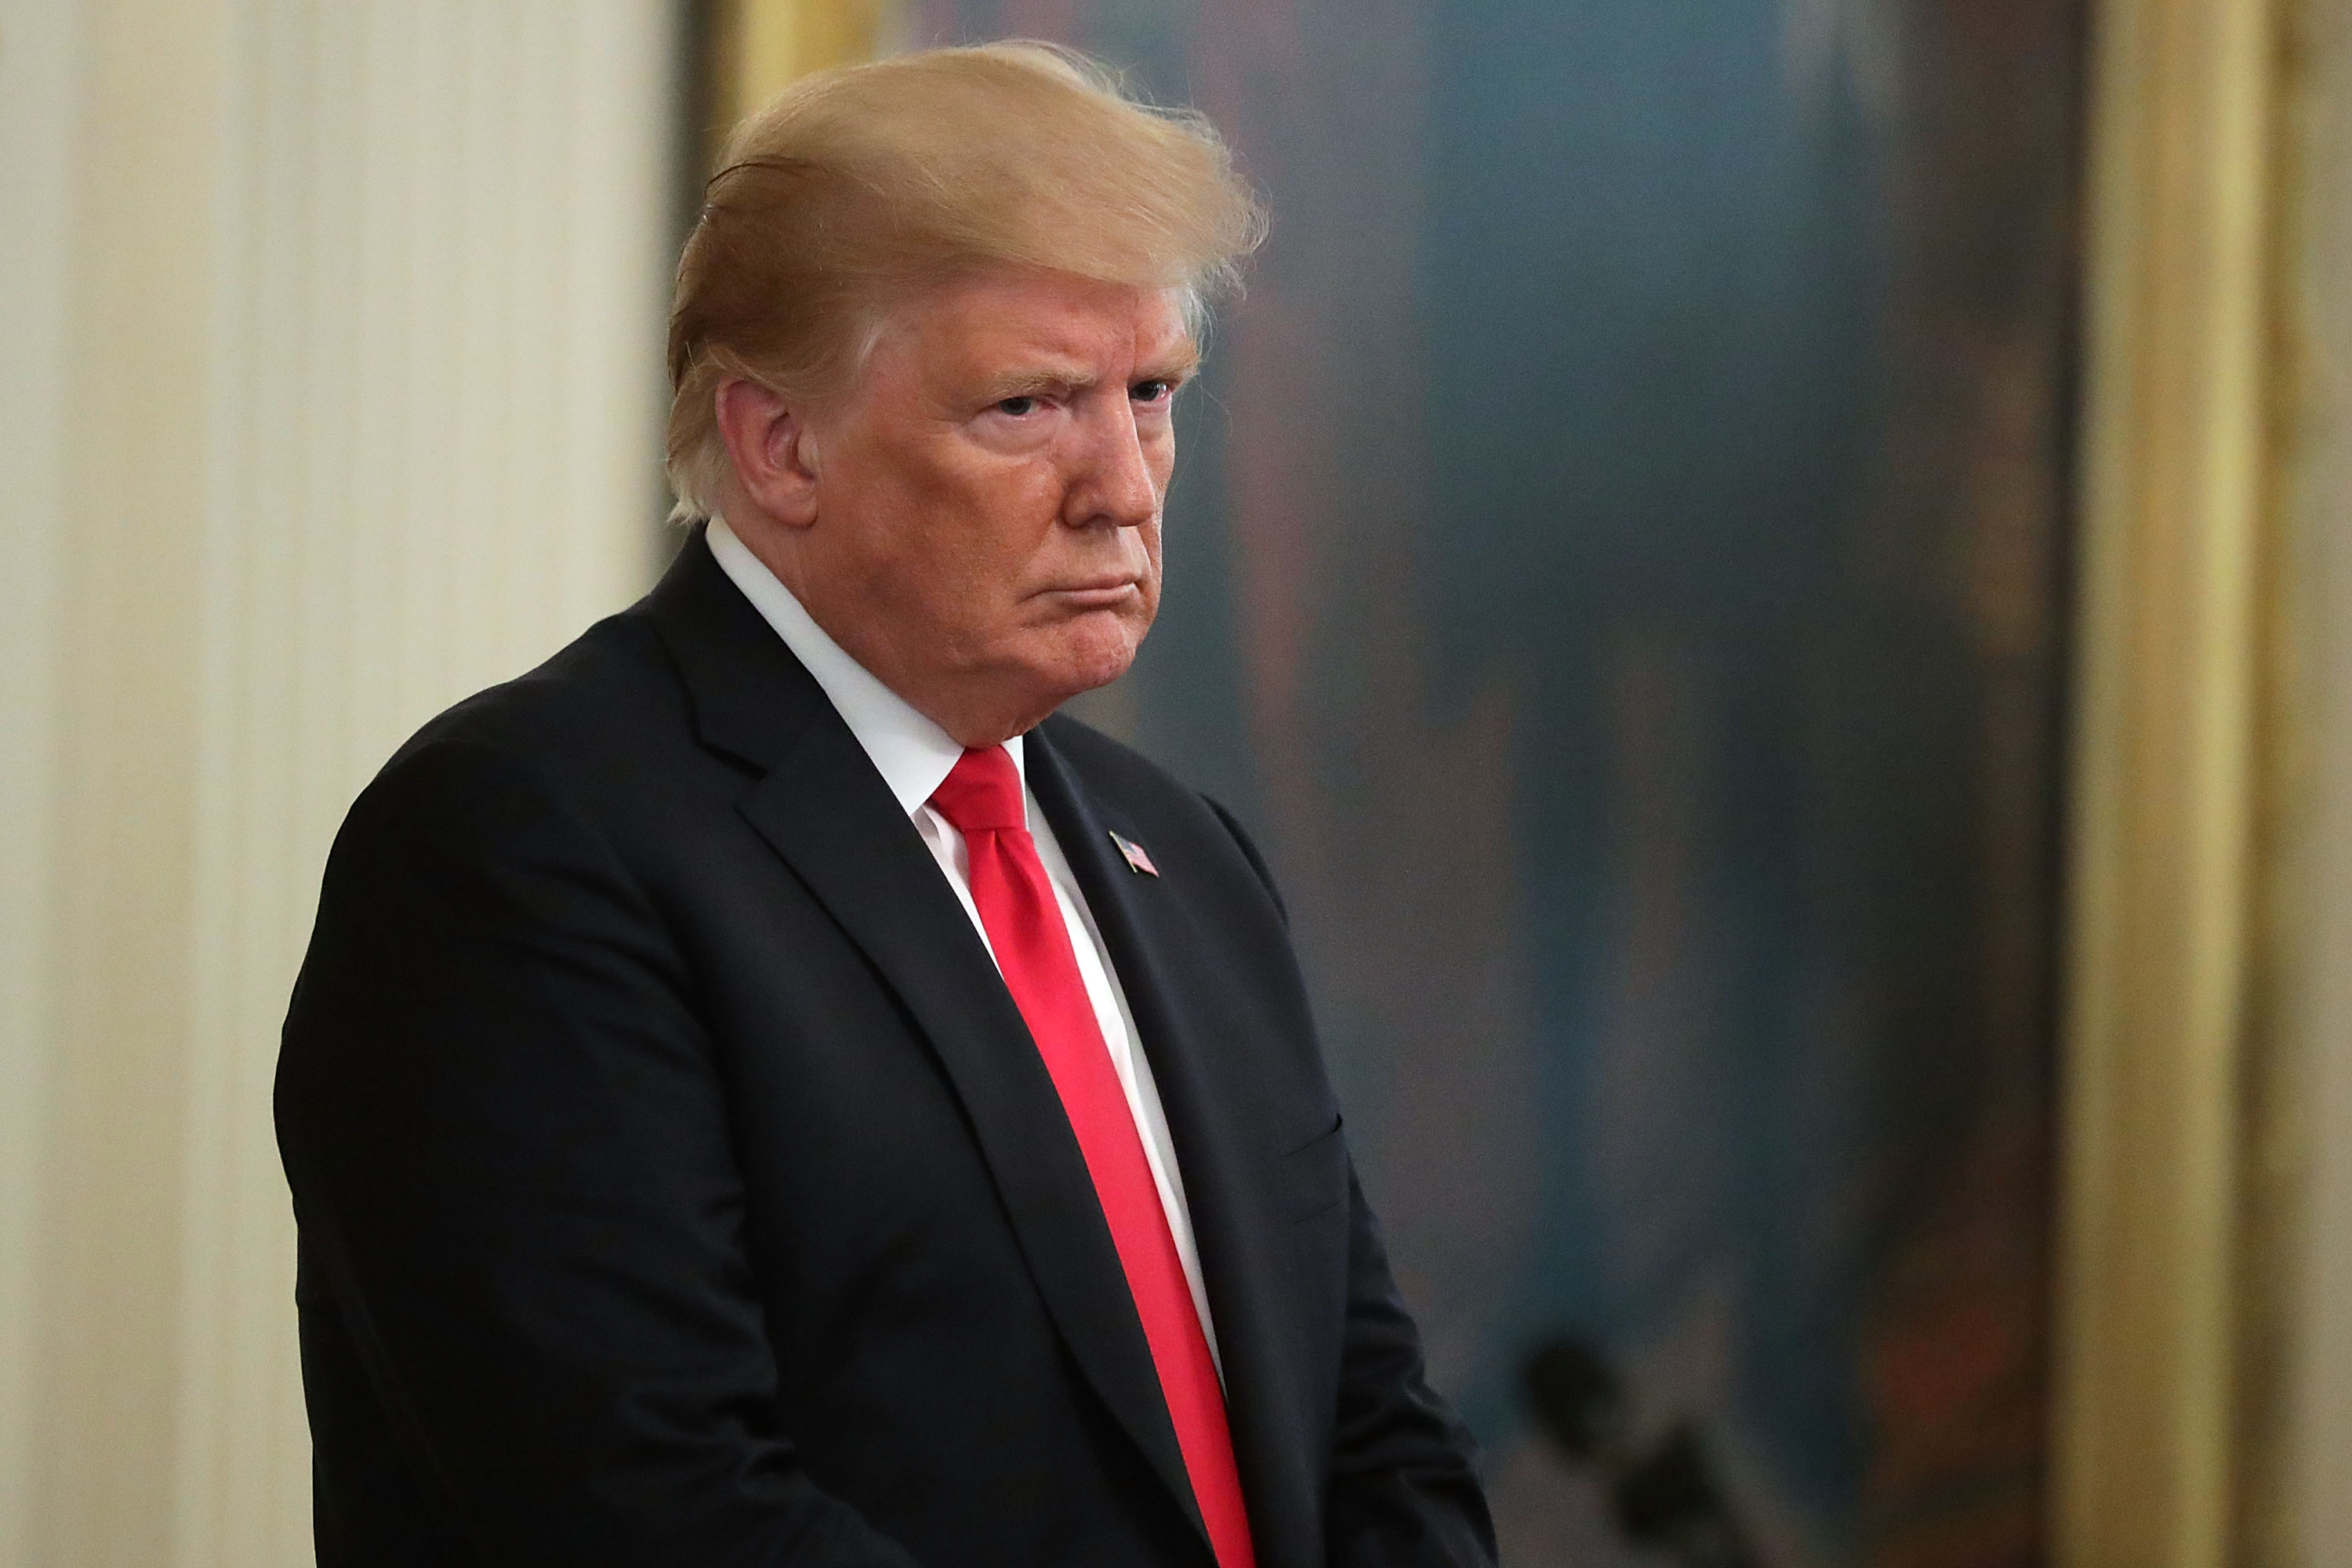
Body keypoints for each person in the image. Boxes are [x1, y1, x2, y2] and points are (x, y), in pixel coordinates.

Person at [276, 42, 1496, 1568]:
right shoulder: (522, 845)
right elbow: (643, 1509)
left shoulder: (1183, 853)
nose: (1124, 482)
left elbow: (1369, 1423)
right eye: (1028, 406)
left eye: (1153, 392)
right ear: (779, 445)